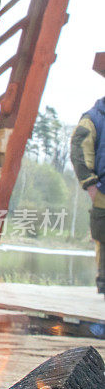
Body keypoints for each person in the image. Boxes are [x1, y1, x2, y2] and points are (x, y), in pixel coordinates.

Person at [70, 97, 105, 295]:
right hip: (103, 189)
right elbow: (79, 149)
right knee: (103, 237)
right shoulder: (93, 118)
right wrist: (89, 183)